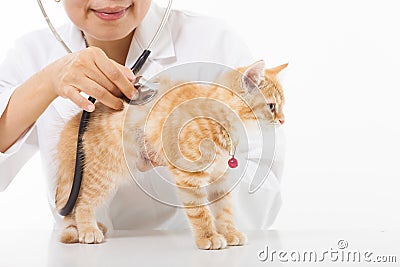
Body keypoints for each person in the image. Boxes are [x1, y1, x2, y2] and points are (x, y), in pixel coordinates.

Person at [0, 0, 284, 231]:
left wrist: (186, 151)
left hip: (192, 255)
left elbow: (263, 199)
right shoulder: (31, 53)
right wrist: (48, 82)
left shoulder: (215, 43)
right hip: (80, 257)